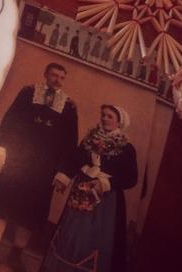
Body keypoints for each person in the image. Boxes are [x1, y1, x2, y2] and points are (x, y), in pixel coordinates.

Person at [0, 63, 78, 270]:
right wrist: (2, 146)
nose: (57, 80)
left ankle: (15, 256)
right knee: (2, 204)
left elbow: (70, 142)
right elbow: (10, 120)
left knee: (30, 213)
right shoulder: (28, 93)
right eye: (54, 75)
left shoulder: (69, 106)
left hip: (44, 169)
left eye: (61, 77)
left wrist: (64, 171)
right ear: (45, 74)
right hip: (18, 161)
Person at [42, 104, 138, 272]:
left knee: (92, 236)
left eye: (110, 116)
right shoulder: (89, 140)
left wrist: (104, 184)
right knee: (71, 231)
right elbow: (74, 159)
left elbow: (131, 179)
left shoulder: (126, 148)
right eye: (103, 115)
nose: (105, 118)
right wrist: (64, 177)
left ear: (119, 122)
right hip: (80, 192)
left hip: (106, 202)